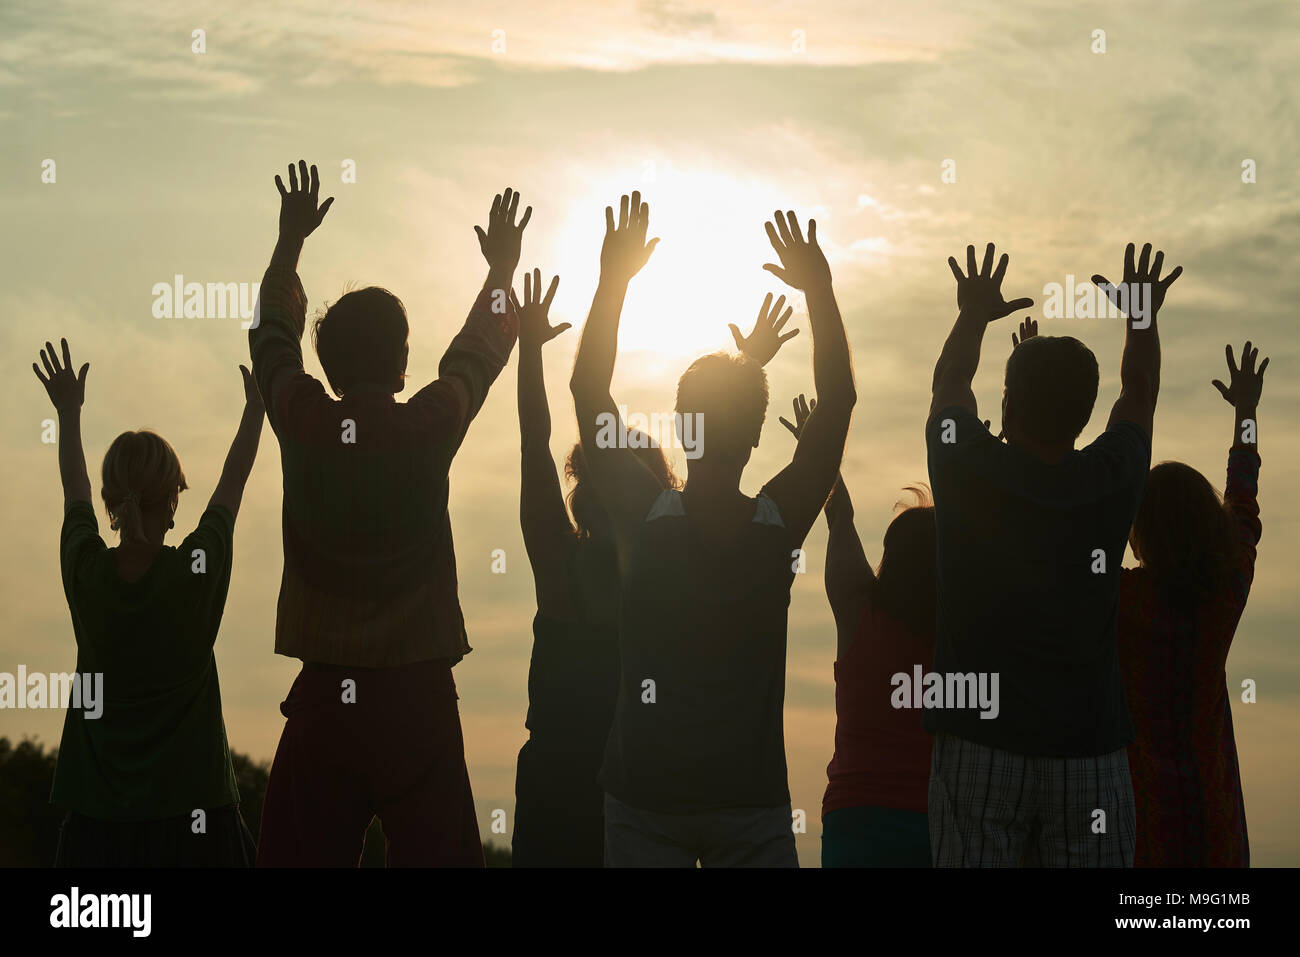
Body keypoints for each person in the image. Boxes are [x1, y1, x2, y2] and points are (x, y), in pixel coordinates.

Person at [251, 161, 528, 866]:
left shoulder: (305, 423)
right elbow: (476, 358)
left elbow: (272, 341)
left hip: (326, 696)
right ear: (403, 363)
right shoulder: (427, 426)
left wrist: (289, 242)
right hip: (417, 697)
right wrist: (501, 272)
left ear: (331, 367)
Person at [570, 194, 856, 867]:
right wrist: (818, 288)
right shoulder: (776, 526)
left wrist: (613, 281)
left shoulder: (643, 517)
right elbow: (839, 401)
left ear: (681, 428)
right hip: (749, 804)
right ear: (757, 436)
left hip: (646, 800)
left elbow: (588, 390)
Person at [925, 242, 1180, 867]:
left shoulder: (966, 466)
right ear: (1086, 414)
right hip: (1087, 750)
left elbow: (950, 383)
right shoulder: (1112, 475)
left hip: (977, 741)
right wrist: (1140, 317)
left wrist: (973, 314)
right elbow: (1141, 390)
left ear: (1007, 406)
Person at [34, 338, 264, 866]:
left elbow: (73, 488)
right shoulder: (196, 571)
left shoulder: (86, 571)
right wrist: (256, 409)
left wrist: (69, 412)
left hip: (98, 826)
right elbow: (233, 483)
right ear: (174, 500)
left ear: (110, 504)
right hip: (196, 821)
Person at [510, 269, 678, 866]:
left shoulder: (560, 565)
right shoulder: (665, 575)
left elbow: (534, 440)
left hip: (560, 787)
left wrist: (530, 348)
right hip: (638, 790)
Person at [1118, 341, 1267, 867]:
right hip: (1215, 820)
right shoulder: (1225, 592)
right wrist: (1245, 411)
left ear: (1140, 532)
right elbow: (1242, 496)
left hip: (1141, 828)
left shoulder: (1122, 601)